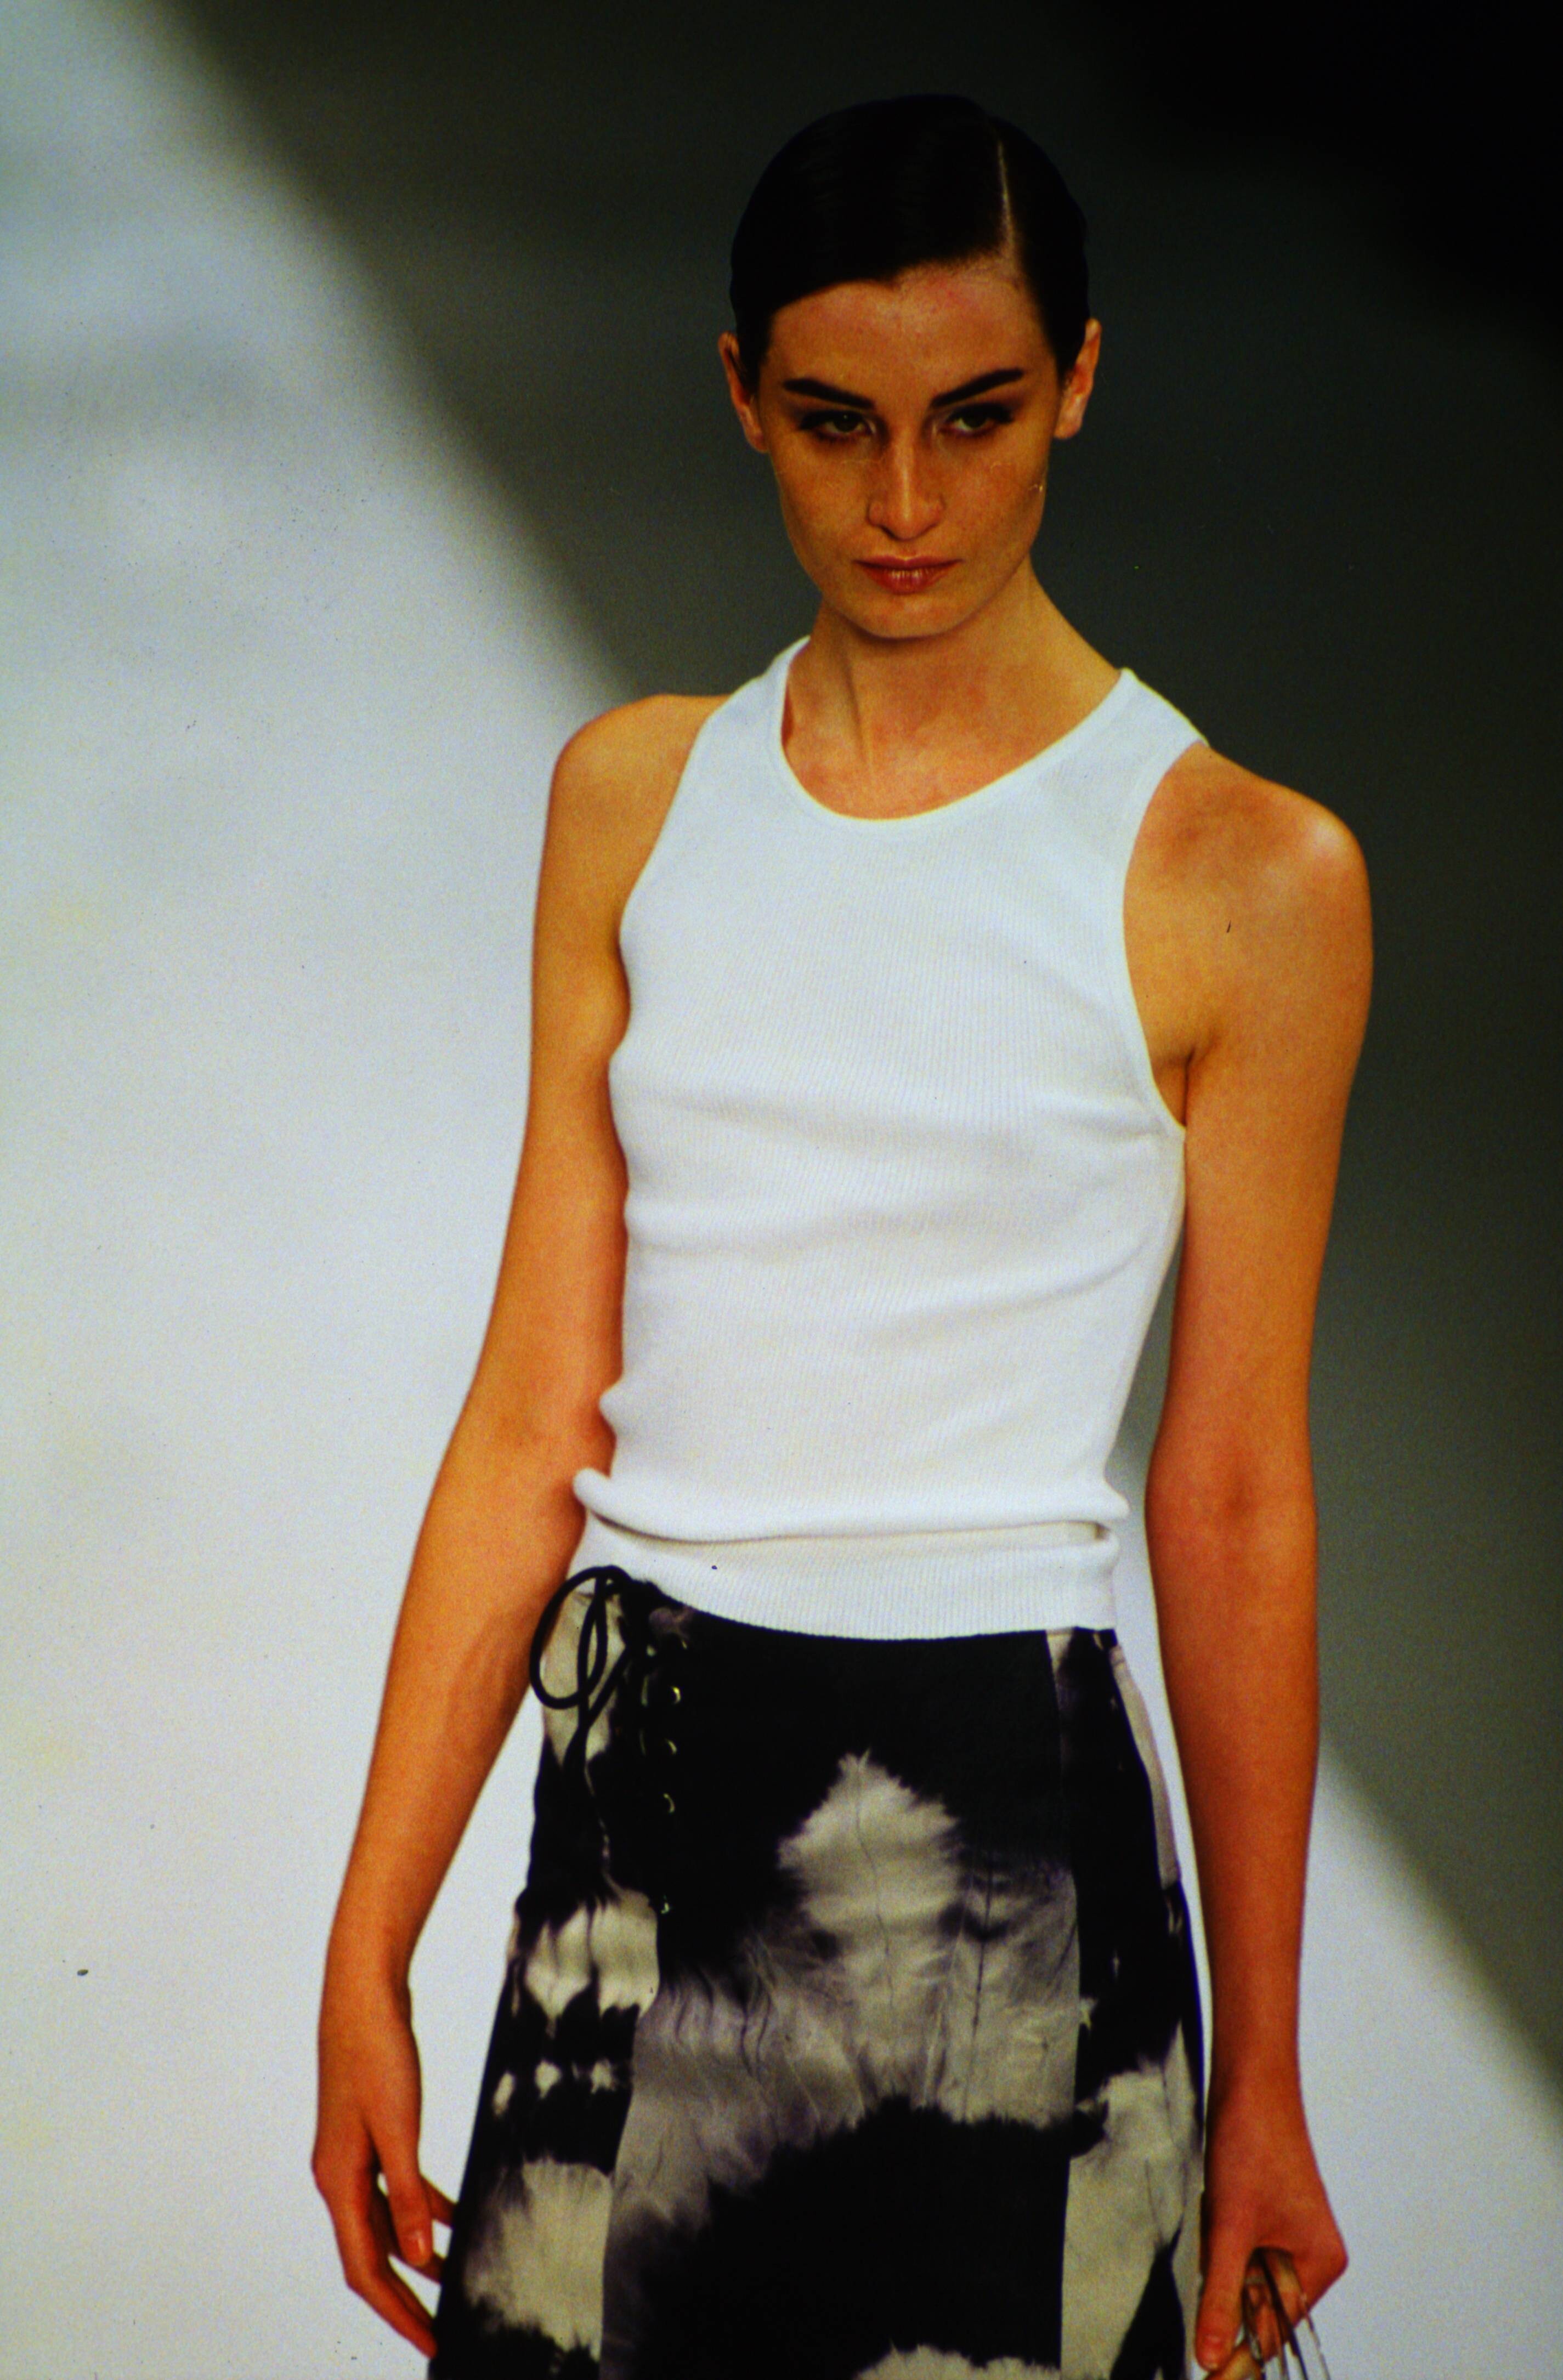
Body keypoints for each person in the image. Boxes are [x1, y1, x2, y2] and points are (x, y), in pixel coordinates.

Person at [313, 93, 1366, 2380]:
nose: (903, 500)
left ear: (1076, 383)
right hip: (635, 1804)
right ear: (738, 395)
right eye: (834, 422)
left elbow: (1230, 1488)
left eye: (973, 417)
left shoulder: (1241, 875)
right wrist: (364, 1944)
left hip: (1006, 1828)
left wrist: (1266, 2071)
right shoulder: (631, 800)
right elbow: (530, 1413)